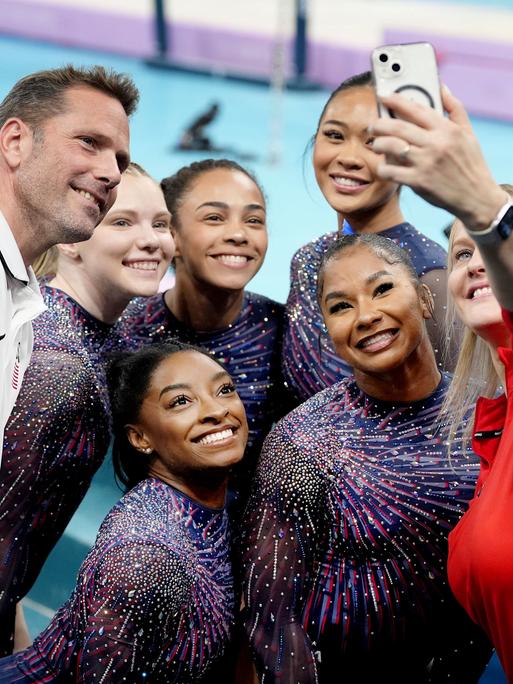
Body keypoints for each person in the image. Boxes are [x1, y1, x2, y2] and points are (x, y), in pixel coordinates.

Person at [242, 234, 490, 682]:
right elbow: (272, 620)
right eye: (341, 307)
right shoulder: (302, 444)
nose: (367, 316)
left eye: (382, 289)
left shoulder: (489, 410)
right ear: (329, 332)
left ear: (426, 299)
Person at [0, 163, 174, 656]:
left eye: (160, 224)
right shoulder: (56, 367)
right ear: (73, 237)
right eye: (122, 223)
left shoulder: (103, 331)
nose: (151, 241)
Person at [371, 86, 513, 680]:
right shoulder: (492, 427)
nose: (474, 260)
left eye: (484, 248)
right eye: (459, 253)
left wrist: (484, 209)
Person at [0, 342, 248, 682]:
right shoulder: (146, 556)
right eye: (180, 401)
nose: (216, 410)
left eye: (224, 389)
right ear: (140, 437)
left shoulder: (227, 509)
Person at [282, 71, 450, 404]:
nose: (348, 157)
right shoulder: (308, 261)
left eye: (373, 141)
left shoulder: (433, 277)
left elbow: (464, 414)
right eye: (334, 135)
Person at [122, 159, 286, 493]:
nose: (239, 234)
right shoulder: (128, 331)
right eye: (214, 217)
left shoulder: (286, 333)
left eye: (254, 220)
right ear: (172, 237)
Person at [0, 65, 137, 459]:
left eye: (121, 162)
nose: (112, 174)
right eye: (89, 142)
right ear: (14, 141)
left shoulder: (23, 301)